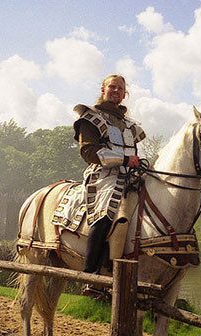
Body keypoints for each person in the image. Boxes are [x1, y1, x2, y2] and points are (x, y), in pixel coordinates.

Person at [72, 74, 146, 287]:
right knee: (106, 212)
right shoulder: (90, 117)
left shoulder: (131, 125)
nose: (116, 91)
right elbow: (88, 151)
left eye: (120, 88)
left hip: (131, 174)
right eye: (112, 87)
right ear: (102, 89)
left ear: (125, 94)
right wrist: (124, 159)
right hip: (103, 175)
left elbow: (133, 154)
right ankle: (91, 275)